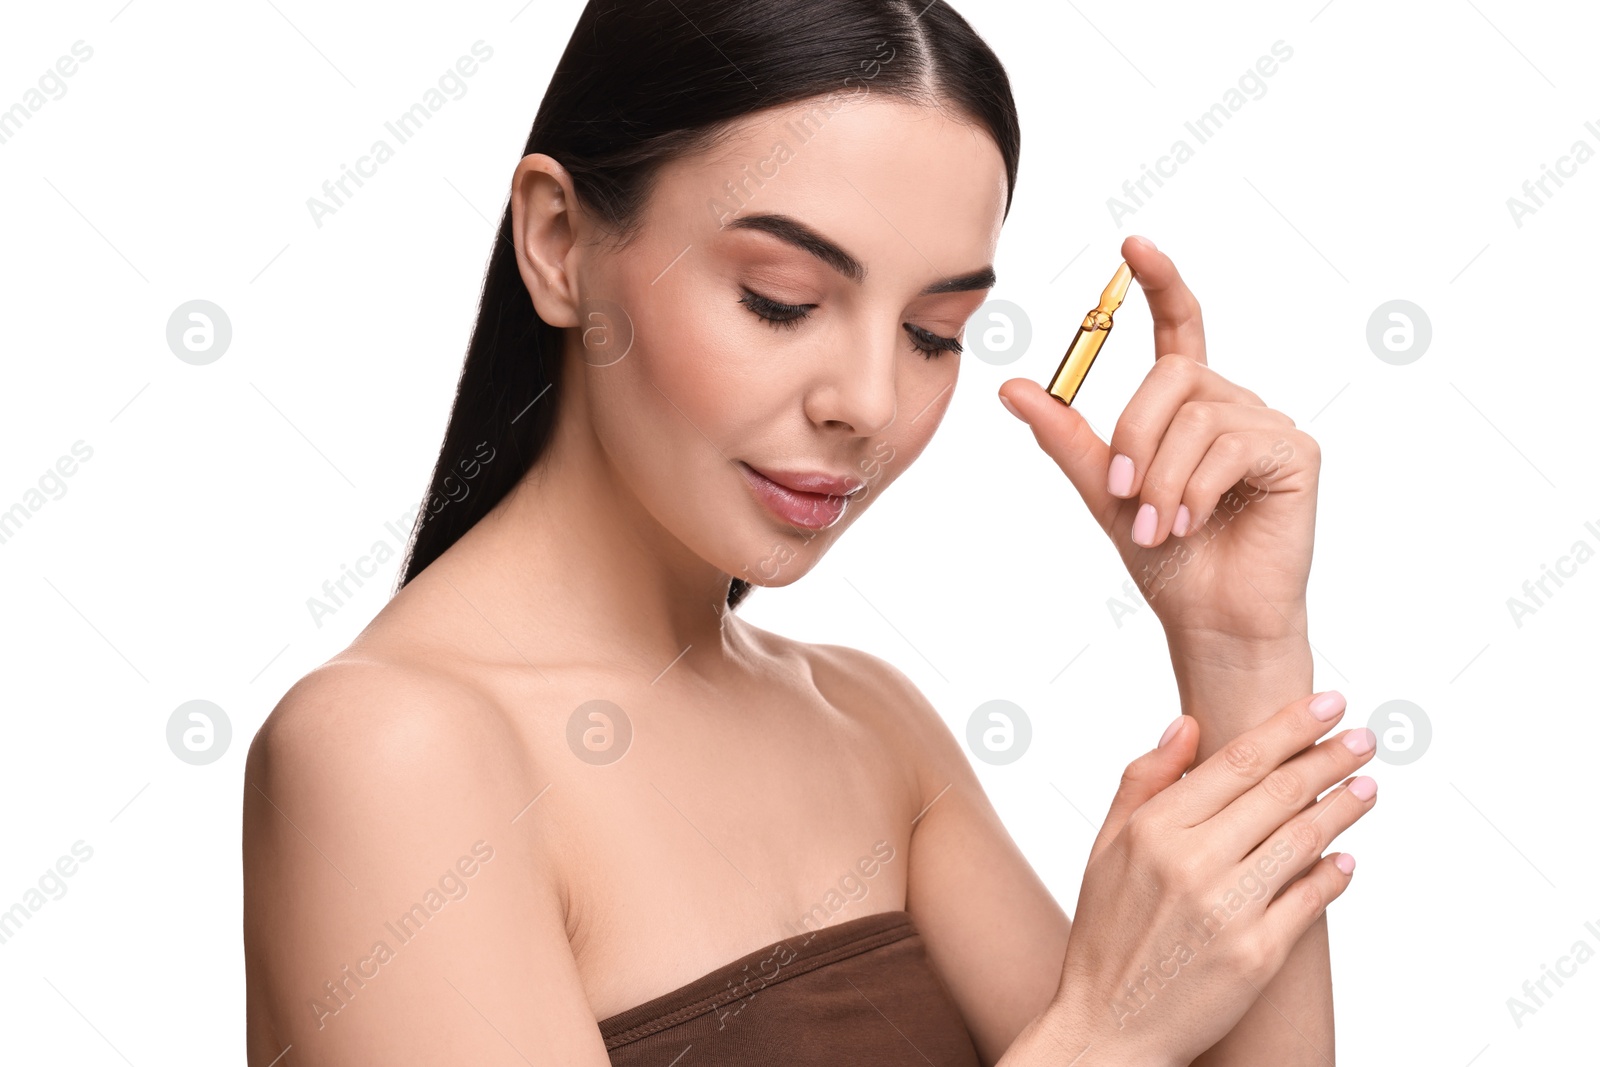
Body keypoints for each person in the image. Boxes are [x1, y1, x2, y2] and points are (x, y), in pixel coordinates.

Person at [242, 2, 1375, 1063]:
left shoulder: (870, 727)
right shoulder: (386, 752)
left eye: (935, 331)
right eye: (780, 297)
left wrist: (1237, 645)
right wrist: (1102, 1036)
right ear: (556, 240)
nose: (869, 401)